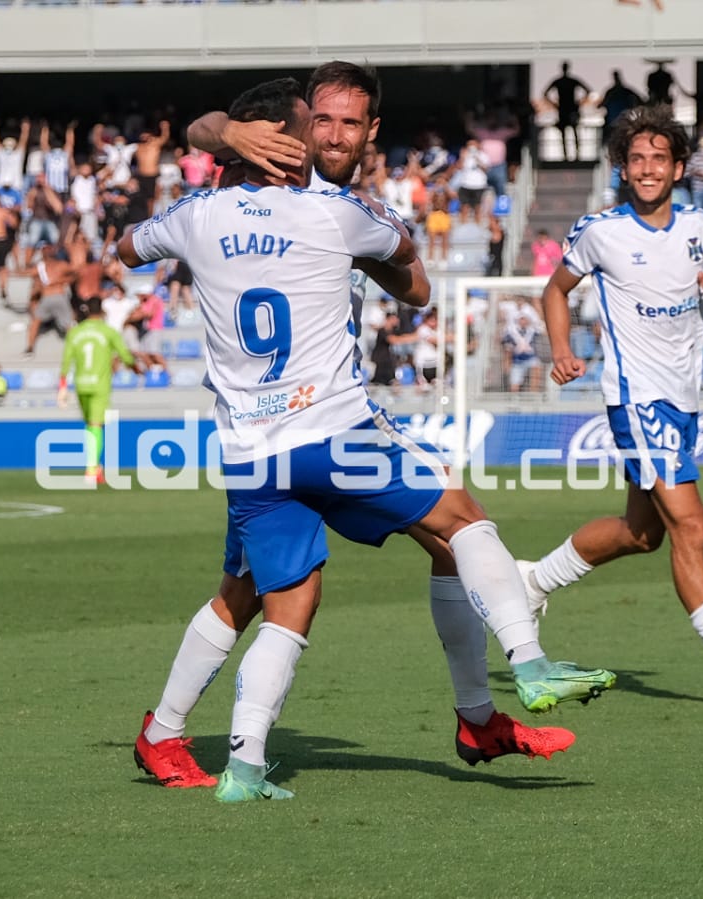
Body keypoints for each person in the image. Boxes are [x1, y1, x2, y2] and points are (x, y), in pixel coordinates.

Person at [127, 78, 613, 804]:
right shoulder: (330, 206)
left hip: (257, 446)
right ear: (289, 136)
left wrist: (237, 151)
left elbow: (135, 237)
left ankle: (459, 721)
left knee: (312, 583)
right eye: (318, 121)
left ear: (368, 130)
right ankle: (525, 664)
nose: (331, 134)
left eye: (347, 123)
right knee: (440, 527)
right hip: (326, 429)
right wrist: (238, 145)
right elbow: (412, 277)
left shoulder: (218, 209)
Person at [518, 104, 703, 702]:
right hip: (637, 397)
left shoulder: (699, 227)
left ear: (678, 168)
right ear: (622, 167)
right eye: (637, 159)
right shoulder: (600, 231)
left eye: (658, 159)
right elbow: (555, 289)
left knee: (643, 533)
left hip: (682, 398)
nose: (647, 169)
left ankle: (533, 580)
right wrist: (561, 349)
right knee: (692, 525)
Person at [58, 296, 145, 485]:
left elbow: (66, 360)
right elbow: (124, 354)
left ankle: (95, 467)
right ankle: (91, 470)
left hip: (81, 384)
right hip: (100, 385)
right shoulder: (108, 331)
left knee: (89, 425)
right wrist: (136, 368)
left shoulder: (76, 332)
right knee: (96, 425)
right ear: (103, 312)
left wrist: (62, 386)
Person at [544, 62, 590, 162]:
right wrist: (579, 103)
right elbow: (588, 90)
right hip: (571, 108)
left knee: (565, 133)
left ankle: (566, 156)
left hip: (564, 109)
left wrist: (554, 105)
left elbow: (545, 93)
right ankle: (576, 155)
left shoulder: (559, 81)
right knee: (574, 132)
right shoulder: (572, 81)